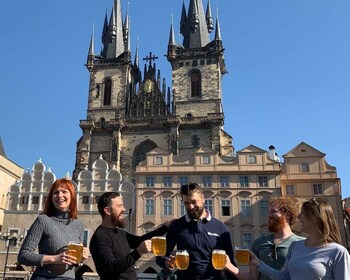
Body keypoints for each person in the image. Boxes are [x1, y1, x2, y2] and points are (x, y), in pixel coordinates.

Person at [227, 198, 350, 280]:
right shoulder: (296, 246)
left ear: (316, 218)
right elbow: (284, 277)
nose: (299, 216)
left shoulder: (338, 252)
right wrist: (258, 264)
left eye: (303, 213)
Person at [156, 183, 238, 280]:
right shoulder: (177, 226)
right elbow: (160, 257)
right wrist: (167, 262)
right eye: (186, 203)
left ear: (203, 198)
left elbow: (231, 264)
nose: (190, 206)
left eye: (194, 202)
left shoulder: (220, 227)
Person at [89, 191, 173, 280]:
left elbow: (139, 240)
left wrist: (165, 227)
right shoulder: (100, 237)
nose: (124, 209)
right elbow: (112, 267)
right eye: (119, 206)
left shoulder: (120, 233)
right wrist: (138, 252)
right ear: (107, 211)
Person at [18, 179, 89, 280]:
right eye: (55, 192)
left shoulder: (78, 224)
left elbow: (73, 263)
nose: (59, 195)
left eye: (64, 191)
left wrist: (81, 258)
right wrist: (54, 259)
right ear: (51, 197)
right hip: (45, 277)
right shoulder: (43, 220)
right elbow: (23, 256)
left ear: (72, 196)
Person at [224, 197, 304, 280]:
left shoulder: (301, 243)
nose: (269, 215)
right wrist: (229, 265)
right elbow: (252, 278)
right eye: (268, 212)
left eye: (273, 211)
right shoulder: (259, 242)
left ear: (287, 215)